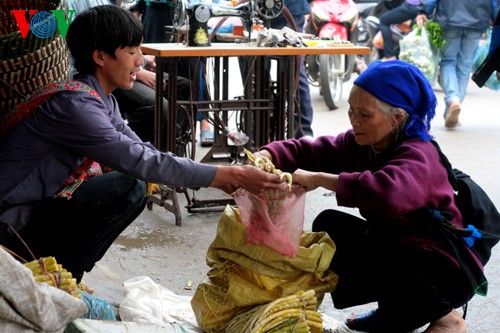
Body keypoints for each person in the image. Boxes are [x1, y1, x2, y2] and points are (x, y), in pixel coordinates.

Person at [0, 5, 285, 283]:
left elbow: (142, 150)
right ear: (100, 57)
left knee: (138, 184)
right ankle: (56, 274)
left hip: (32, 210)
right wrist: (225, 174)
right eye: (131, 51)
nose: (140, 60)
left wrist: (216, 177)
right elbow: (139, 160)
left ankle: (66, 273)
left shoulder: (100, 99)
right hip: (9, 223)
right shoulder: (77, 107)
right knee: (128, 185)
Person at [255, 60, 483, 332]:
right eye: (351, 111)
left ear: (397, 118)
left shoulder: (419, 154)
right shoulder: (366, 142)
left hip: (444, 269)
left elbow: (389, 194)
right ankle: (393, 312)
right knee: (331, 227)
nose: (354, 121)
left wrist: (319, 179)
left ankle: (447, 319)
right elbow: (313, 150)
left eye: (364, 115)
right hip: (403, 257)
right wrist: (267, 154)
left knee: (390, 243)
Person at [129, 0, 215, 146]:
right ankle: (167, 138)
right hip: (154, 21)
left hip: (184, 19)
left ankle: (191, 127)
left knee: (193, 72)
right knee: (162, 69)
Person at [416, 0, 498, 128]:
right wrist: (495, 18)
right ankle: (453, 105)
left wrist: (423, 11)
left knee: (448, 61)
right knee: (465, 66)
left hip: (450, 18)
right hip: (477, 20)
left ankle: (453, 99)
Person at [270, 0, 315, 139]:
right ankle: (261, 128)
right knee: (252, 65)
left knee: (294, 69)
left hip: (290, 9)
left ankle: (303, 135)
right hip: (260, 10)